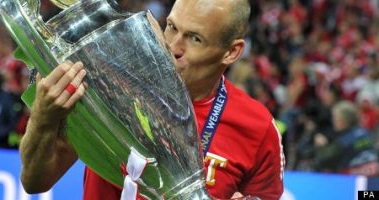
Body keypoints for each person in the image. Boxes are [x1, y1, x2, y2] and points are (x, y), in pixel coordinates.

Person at [19, 0, 284, 199]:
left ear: (232, 52)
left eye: (195, 38)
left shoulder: (257, 128)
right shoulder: (105, 81)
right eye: (171, 27)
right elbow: (35, 181)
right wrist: (43, 118)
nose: (173, 46)